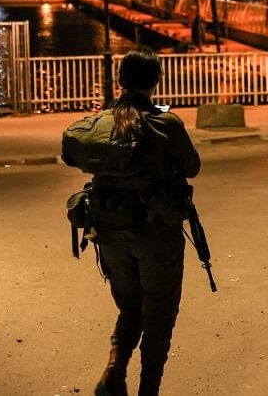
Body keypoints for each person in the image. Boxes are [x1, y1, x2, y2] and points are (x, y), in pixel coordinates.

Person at [63, 49, 201, 396]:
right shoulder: (164, 124)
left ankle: (113, 372)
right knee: (159, 312)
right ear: (155, 82)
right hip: (154, 232)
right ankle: (147, 391)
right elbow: (191, 167)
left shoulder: (103, 123)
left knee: (131, 308)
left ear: (120, 80)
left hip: (108, 228)